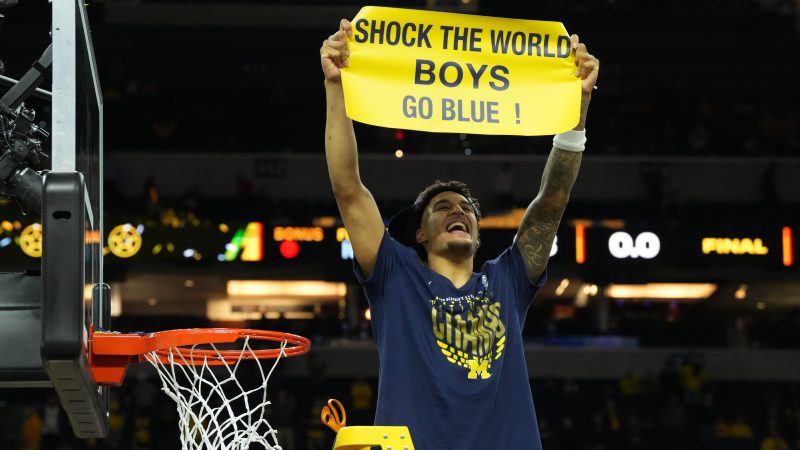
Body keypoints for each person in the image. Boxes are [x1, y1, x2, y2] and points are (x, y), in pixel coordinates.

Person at [320, 17, 598, 450]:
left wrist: (576, 109)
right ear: (420, 235)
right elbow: (348, 190)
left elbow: (550, 204)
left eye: (467, 208)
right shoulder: (396, 275)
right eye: (443, 207)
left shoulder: (507, 280)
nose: (459, 211)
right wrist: (335, 85)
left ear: (477, 235)